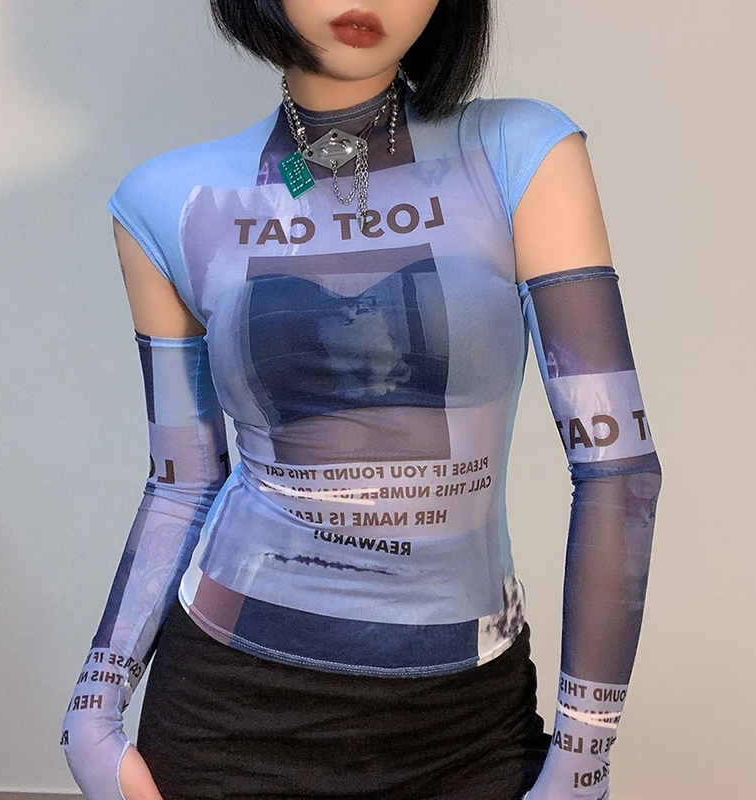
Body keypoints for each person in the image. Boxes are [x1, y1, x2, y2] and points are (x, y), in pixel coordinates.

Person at [60, 1, 662, 798]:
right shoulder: (168, 199)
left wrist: (583, 760)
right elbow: (182, 482)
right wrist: (94, 704)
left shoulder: (519, 151)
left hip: (464, 725)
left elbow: (619, 470)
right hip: (228, 713)